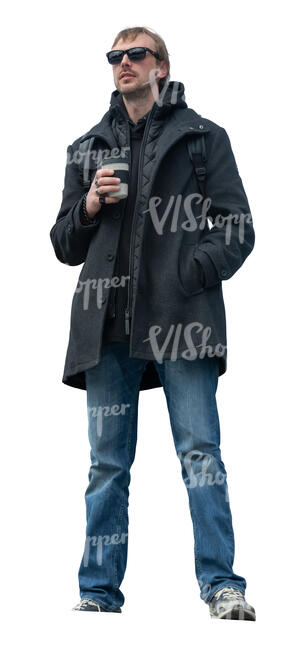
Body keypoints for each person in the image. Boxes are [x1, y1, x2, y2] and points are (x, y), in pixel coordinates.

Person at [50, 26, 256, 620]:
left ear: (161, 66)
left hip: (181, 321)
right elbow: (63, 244)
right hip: (106, 327)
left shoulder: (203, 139)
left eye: (135, 55)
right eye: (115, 57)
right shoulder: (87, 148)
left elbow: (238, 226)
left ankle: (222, 586)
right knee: (106, 465)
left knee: (201, 453)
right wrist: (88, 204)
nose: (123, 64)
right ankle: (97, 594)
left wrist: (192, 271)